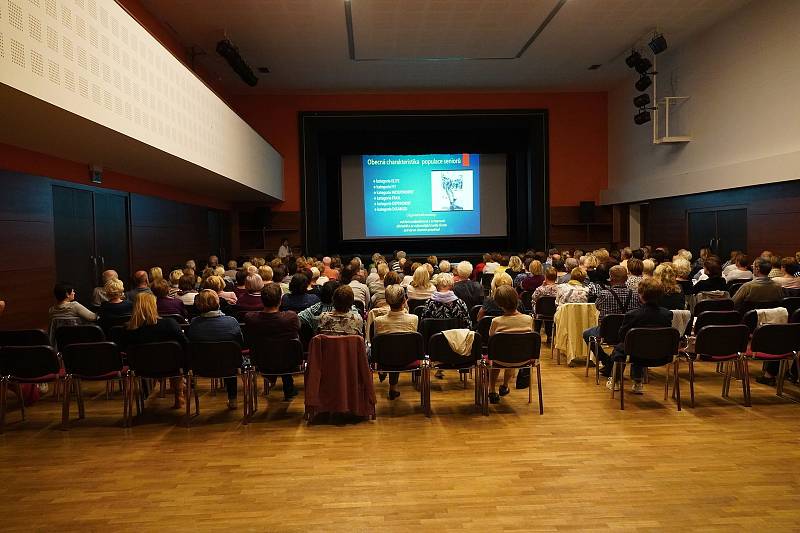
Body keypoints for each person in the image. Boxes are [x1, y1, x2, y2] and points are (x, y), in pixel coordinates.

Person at [597, 278, 672, 394]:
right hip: (661, 354)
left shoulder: (632, 315)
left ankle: (615, 380)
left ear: (640, 295)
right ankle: (638, 381)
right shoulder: (667, 314)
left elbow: (622, 335)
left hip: (635, 353)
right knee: (640, 344)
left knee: (621, 349)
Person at [121, 293, 187, 407]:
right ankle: (178, 395)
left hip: (141, 368)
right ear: (154, 306)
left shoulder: (127, 329)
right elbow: (185, 343)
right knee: (176, 357)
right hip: (171, 366)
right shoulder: (170, 324)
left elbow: (124, 350)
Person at [185, 290, 244, 409]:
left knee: (229, 357)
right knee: (230, 359)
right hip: (230, 366)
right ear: (218, 302)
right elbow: (240, 344)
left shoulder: (194, 324)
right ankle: (232, 398)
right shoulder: (231, 321)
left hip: (201, 366)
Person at [243, 283, 300, 400]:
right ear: (280, 300)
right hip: (289, 361)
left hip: (261, 361)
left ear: (262, 300)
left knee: (278, 349)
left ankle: (273, 379)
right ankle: (288, 388)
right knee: (283, 349)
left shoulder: (250, 318)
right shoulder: (291, 317)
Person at [583, 265, 641, 369]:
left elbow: (597, 306)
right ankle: (614, 362)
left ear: (611, 278)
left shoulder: (604, 294)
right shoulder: (636, 295)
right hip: (629, 333)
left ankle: (606, 361)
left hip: (607, 333)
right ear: (626, 278)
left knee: (587, 333)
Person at [487, 285, 534, 404]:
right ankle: (505, 385)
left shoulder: (496, 321)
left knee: (498, 355)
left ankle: (491, 389)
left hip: (499, 359)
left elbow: (491, 338)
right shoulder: (528, 319)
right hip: (523, 359)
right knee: (514, 349)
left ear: (499, 304)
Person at [374, 284, 419, 400]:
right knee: (397, 347)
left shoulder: (378, 321)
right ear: (404, 300)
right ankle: (393, 387)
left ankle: (390, 383)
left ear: (387, 301)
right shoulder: (414, 319)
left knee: (393, 348)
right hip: (408, 357)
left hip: (384, 358)